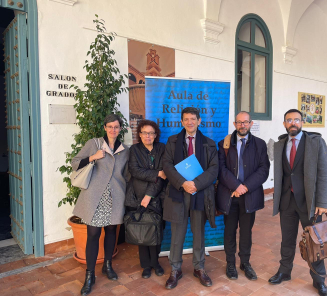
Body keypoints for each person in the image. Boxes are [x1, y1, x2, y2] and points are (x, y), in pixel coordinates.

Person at [268, 109, 327, 296]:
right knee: (286, 240)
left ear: (302, 122)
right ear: (284, 123)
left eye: (296, 120)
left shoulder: (316, 142)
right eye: (289, 120)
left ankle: (319, 280)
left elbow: (323, 174)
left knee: (315, 242)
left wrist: (322, 201)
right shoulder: (280, 144)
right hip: (287, 201)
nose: (293, 123)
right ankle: (284, 272)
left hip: (310, 203)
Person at [71, 114, 129, 296]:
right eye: (110, 126)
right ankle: (90, 275)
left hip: (116, 196)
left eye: (116, 127)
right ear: (104, 127)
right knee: (93, 234)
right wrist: (92, 157)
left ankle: (107, 266)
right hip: (95, 197)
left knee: (112, 231)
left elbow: (127, 174)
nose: (113, 130)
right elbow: (74, 163)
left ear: (120, 129)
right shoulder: (94, 144)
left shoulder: (125, 150)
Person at [162, 107, 218, 289]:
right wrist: (182, 183)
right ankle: (175, 269)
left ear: (199, 121)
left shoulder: (209, 143)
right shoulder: (172, 142)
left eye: (193, 119)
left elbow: (214, 169)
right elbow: (167, 166)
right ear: (181, 122)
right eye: (186, 119)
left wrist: (196, 184)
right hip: (178, 193)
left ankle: (199, 267)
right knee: (177, 234)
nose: (190, 122)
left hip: (199, 193)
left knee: (199, 234)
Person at [216, 111, 270, 281]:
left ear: (251, 123)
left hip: (249, 196)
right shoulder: (224, 144)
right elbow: (221, 170)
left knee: (246, 232)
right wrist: (236, 186)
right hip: (229, 196)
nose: (242, 125)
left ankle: (245, 263)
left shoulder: (260, 145)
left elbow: (263, 170)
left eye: (245, 122)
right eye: (239, 122)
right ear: (234, 124)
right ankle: (230, 263)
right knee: (230, 231)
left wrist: (244, 187)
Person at [125, 119, 167, 279]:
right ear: (139, 134)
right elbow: (135, 171)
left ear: (156, 135)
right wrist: (156, 173)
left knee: (156, 230)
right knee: (143, 230)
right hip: (138, 197)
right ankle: (146, 266)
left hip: (158, 197)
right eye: (144, 133)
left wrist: (149, 195)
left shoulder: (162, 148)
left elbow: (164, 173)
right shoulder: (134, 150)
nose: (147, 136)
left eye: (151, 133)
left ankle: (155, 262)